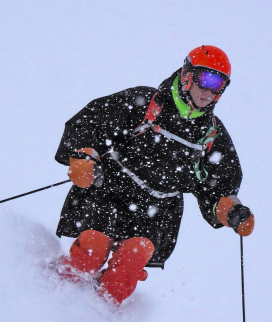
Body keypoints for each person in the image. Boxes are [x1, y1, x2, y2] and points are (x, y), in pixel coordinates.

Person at [54, 45, 254, 304]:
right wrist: (83, 156)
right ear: (186, 75)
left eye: (219, 85)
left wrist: (228, 209)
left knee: (126, 271)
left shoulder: (211, 134)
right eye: (205, 79)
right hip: (110, 190)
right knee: (90, 252)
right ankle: (52, 300)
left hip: (157, 210)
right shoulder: (145, 103)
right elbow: (90, 122)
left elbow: (218, 184)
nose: (209, 92)